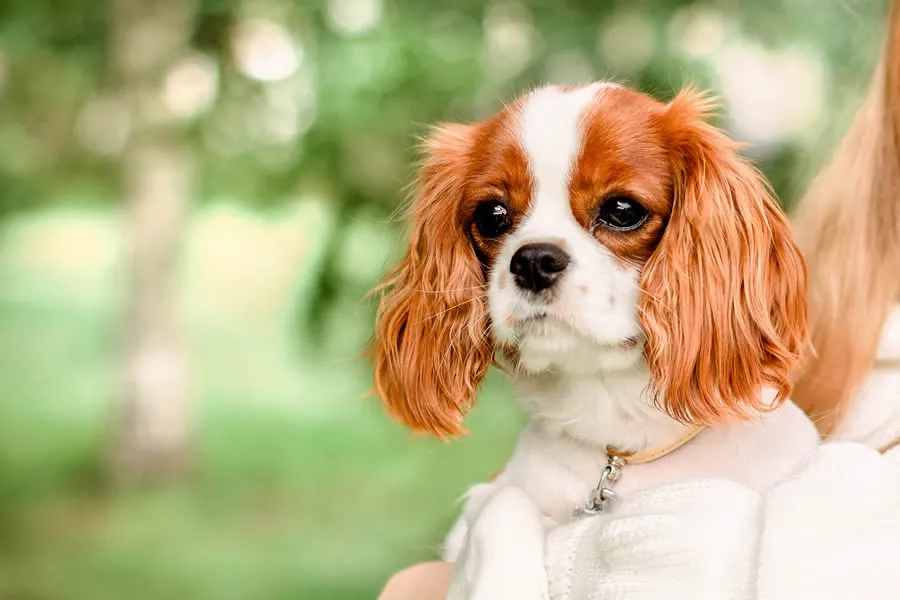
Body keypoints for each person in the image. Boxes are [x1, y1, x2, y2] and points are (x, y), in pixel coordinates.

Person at [379, 2, 900, 598]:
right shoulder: (518, 493)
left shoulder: (794, 467)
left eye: (621, 211)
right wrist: (502, 523)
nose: (533, 256)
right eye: (496, 219)